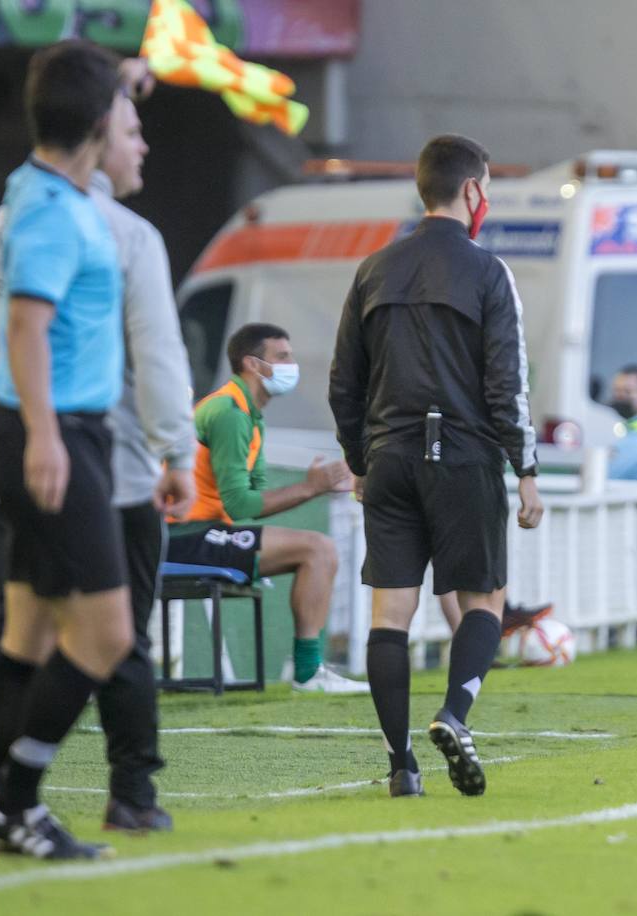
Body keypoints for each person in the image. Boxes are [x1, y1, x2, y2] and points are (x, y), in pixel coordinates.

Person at [0, 65, 196, 834]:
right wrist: (56, 438)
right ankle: (29, 796)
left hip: (34, 435)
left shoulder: (14, 203)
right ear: (96, 131)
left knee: (20, 633)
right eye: (128, 127)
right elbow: (31, 329)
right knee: (111, 636)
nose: (142, 141)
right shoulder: (68, 218)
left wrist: (113, 81)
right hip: (71, 443)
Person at [330, 133, 544, 799]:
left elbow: (345, 382)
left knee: (389, 615)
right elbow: (506, 383)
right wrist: (526, 468)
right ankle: (454, 714)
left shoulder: (373, 268)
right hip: (463, 456)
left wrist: (360, 460)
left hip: (390, 458)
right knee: (484, 599)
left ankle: (400, 766)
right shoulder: (487, 272)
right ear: (474, 190)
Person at [167, 323, 365, 693]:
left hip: (207, 530)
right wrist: (311, 487)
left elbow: (252, 498)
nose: (293, 364)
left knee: (318, 549)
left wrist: (313, 487)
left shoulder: (250, 414)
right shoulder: (229, 413)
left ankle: (309, 670)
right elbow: (240, 503)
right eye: (283, 356)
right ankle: (308, 673)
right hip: (182, 534)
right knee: (319, 548)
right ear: (253, 364)